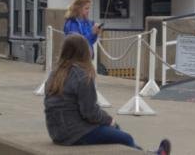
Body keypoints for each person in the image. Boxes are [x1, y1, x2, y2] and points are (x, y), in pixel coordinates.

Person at [44, 34, 173, 154]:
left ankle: (145, 153)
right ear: (84, 53)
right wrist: (108, 119)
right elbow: (90, 113)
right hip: (75, 134)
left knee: (114, 131)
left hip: (57, 132)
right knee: (125, 138)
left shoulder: (54, 74)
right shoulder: (82, 76)